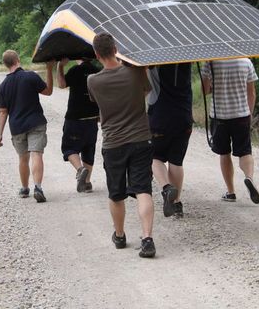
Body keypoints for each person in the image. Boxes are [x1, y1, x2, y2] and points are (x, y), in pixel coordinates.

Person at [87, 33, 156, 258]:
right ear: (116, 48)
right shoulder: (136, 72)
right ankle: (147, 238)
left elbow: (96, 103)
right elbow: (146, 91)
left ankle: (120, 235)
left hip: (113, 143)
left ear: (96, 55)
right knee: (143, 189)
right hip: (140, 138)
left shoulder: (93, 81)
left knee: (116, 193)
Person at [0, 50, 54, 203]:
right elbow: (48, 91)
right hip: (35, 122)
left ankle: (24, 188)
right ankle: (38, 187)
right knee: (36, 154)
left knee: (23, 158)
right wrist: (49, 70)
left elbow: (3, 112)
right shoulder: (30, 76)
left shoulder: (3, 86)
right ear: (18, 60)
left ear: (5, 64)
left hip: (17, 127)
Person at [201, 58, 259, 205]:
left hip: (220, 116)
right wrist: (249, 113)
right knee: (245, 152)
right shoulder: (246, 62)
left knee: (224, 153)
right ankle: (249, 178)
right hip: (241, 115)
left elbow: (205, 90)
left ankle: (231, 191)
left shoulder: (210, 62)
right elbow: (251, 92)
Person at [147, 63, 193, 218]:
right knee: (176, 161)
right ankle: (177, 204)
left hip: (160, 116)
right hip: (184, 116)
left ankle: (167, 188)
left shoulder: (154, 62)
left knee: (155, 156)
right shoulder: (187, 60)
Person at [57, 57, 101, 193]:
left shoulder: (75, 70)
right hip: (93, 118)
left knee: (69, 148)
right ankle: (86, 183)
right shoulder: (97, 71)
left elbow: (62, 84)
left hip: (75, 118)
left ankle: (80, 169)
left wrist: (59, 67)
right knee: (89, 149)